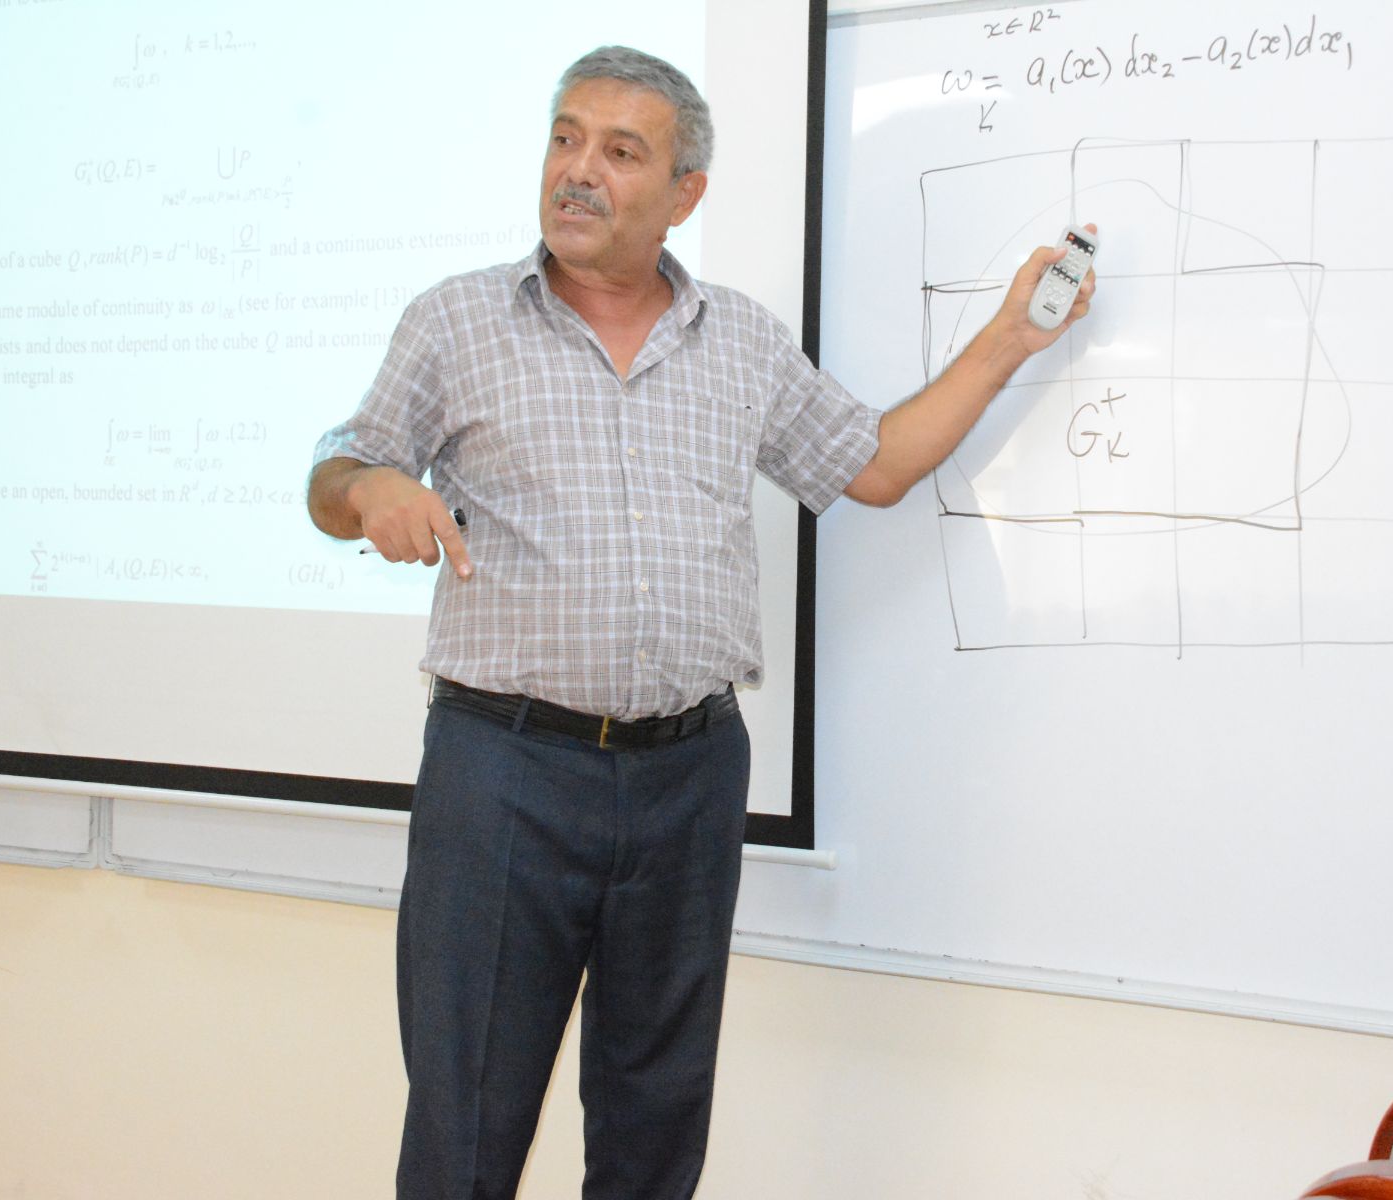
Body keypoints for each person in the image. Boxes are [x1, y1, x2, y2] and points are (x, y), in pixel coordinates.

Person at [306, 45, 1094, 1200]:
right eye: (566, 138)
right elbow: (338, 466)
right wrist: (370, 488)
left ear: (685, 195)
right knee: (466, 1127)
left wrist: (1012, 337)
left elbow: (876, 466)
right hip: (505, 772)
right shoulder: (457, 321)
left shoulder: (744, 343)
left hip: (688, 776)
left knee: (655, 1131)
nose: (579, 170)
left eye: (620, 151)